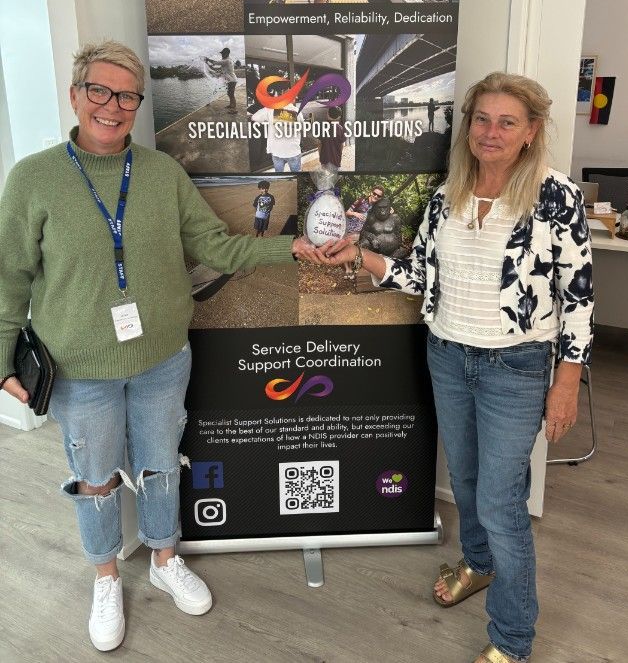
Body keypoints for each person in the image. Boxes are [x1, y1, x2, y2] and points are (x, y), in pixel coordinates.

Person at [0, 41, 318, 653]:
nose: (113, 107)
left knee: (157, 465)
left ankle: (164, 559)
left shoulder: (161, 173)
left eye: (126, 96)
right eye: (100, 91)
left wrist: (292, 249)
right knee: (94, 479)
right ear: (76, 95)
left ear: (136, 104)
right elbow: (9, 274)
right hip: (79, 367)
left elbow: (218, 248)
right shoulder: (33, 179)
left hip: (163, 358)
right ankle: (104, 575)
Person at [322, 72, 594, 663]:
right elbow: (419, 278)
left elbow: (578, 298)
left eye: (507, 122)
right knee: (466, 479)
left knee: (501, 500)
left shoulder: (557, 196)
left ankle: (513, 640)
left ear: (531, 132)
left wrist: (566, 382)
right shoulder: (449, 194)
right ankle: (479, 563)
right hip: (447, 353)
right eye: (482, 119)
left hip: (516, 367)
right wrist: (360, 256)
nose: (490, 132)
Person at [250, 103, 306, 172]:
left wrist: (267, 119)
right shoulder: (296, 111)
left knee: (279, 173)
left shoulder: (270, 109)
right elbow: (303, 128)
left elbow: (254, 117)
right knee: (297, 174)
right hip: (293, 151)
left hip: (276, 151)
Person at [205, 47, 238, 113]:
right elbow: (216, 68)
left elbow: (216, 62)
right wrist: (208, 64)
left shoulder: (227, 61)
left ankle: (234, 109)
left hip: (232, 80)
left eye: (223, 53)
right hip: (230, 80)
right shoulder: (226, 61)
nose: (222, 55)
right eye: (222, 53)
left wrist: (208, 59)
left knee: (231, 94)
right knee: (229, 93)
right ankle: (231, 105)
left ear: (227, 53)